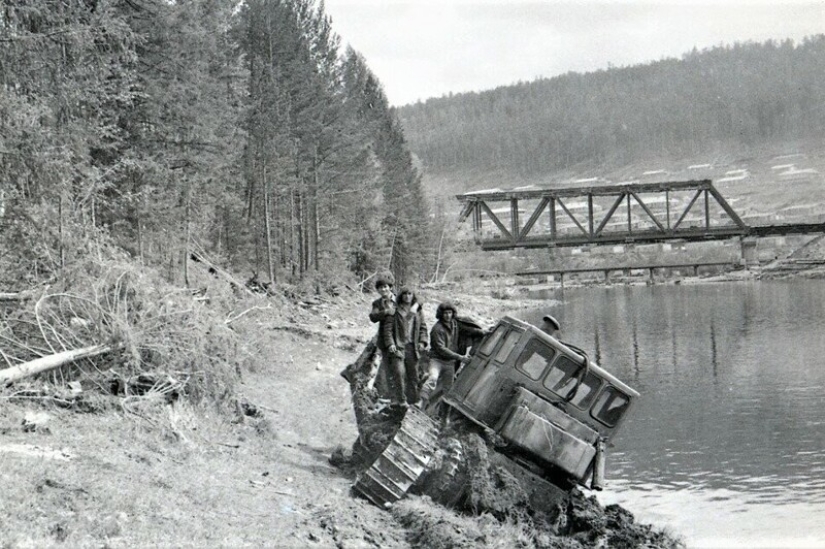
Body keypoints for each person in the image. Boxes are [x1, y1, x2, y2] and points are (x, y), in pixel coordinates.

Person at [422, 301, 486, 411]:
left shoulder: (455, 325)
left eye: (450, 313)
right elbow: (441, 349)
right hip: (437, 360)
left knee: (447, 389)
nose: (448, 315)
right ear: (441, 314)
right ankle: (419, 404)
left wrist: (485, 332)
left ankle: (432, 411)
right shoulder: (437, 329)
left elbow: (470, 330)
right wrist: (459, 357)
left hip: (450, 363)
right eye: (445, 313)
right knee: (432, 379)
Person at [381, 287, 428, 406]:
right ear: (401, 296)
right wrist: (391, 344)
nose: (407, 296)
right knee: (399, 373)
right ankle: (400, 401)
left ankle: (414, 400)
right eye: (405, 294)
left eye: (410, 293)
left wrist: (422, 342)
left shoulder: (418, 311)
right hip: (399, 347)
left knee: (413, 375)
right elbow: (387, 330)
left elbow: (423, 328)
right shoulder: (394, 310)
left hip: (413, 348)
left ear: (413, 295)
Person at [368, 274, 396, 398]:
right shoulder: (377, 303)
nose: (383, 290)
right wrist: (385, 312)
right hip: (383, 336)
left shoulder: (400, 300)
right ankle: (370, 388)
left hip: (400, 336)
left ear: (390, 287)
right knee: (378, 361)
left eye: (385, 287)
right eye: (380, 288)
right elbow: (373, 317)